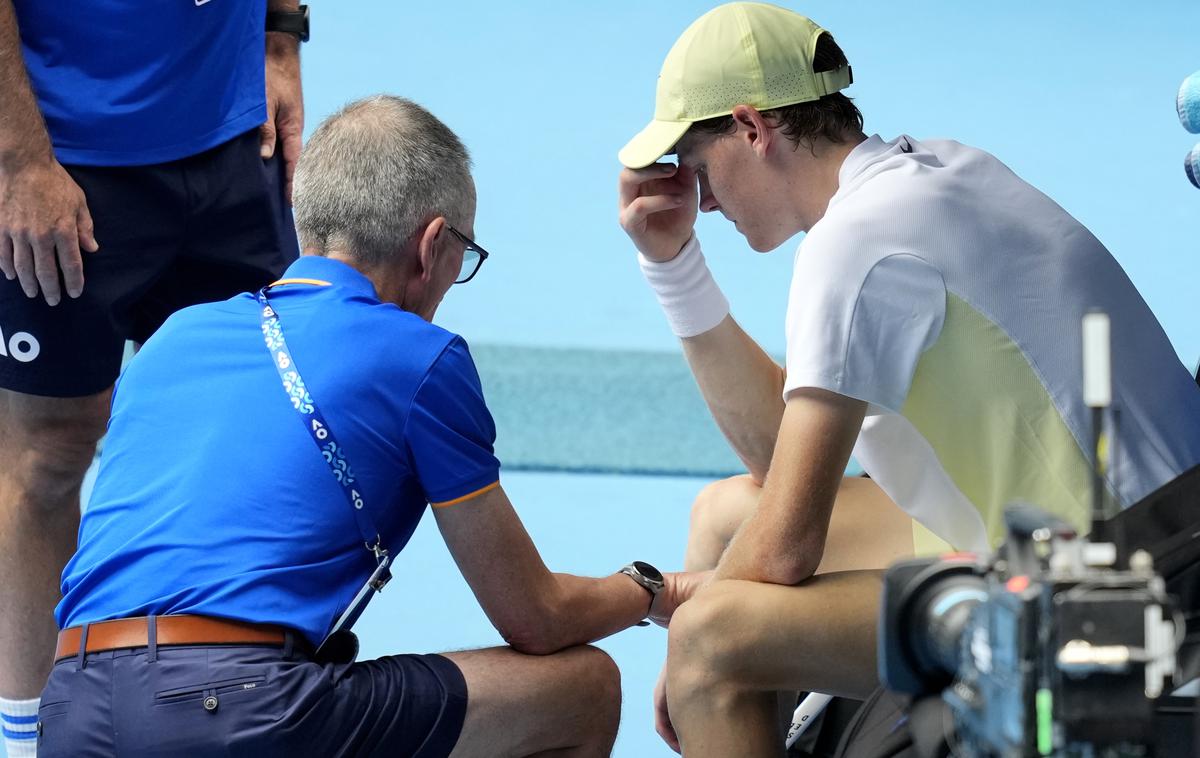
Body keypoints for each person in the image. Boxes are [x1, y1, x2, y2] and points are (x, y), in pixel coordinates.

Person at [615, 3, 1200, 755]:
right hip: (1153, 534)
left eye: (698, 168)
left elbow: (786, 549)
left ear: (752, 129)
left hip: (1126, 600)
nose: (704, 200)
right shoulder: (936, 171)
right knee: (725, 513)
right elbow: (779, 456)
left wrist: (669, 605)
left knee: (707, 643)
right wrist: (673, 265)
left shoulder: (854, 244)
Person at [35, 94, 695, 757]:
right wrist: (647, 590)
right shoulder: (419, 356)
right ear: (433, 244)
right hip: (238, 708)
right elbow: (536, 618)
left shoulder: (176, 337)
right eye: (463, 255)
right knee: (583, 687)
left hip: (68, 709)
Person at [0, 1, 305, 750]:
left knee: (245, 439)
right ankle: (29, 739)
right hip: (65, 151)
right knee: (49, 454)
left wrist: (280, 34)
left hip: (235, 140)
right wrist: (18, 160)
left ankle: (230, 717)